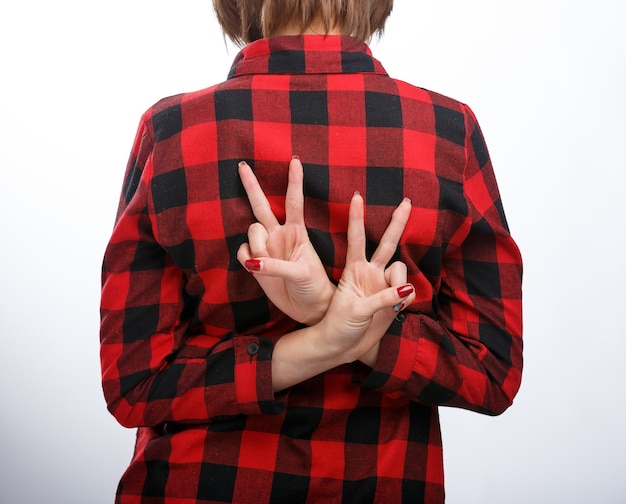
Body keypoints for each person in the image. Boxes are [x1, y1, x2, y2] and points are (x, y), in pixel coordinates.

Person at [99, 1, 523, 502]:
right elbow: (493, 370)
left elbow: (135, 383)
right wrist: (348, 332)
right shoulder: (448, 132)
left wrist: (326, 326)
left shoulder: (172, 130)